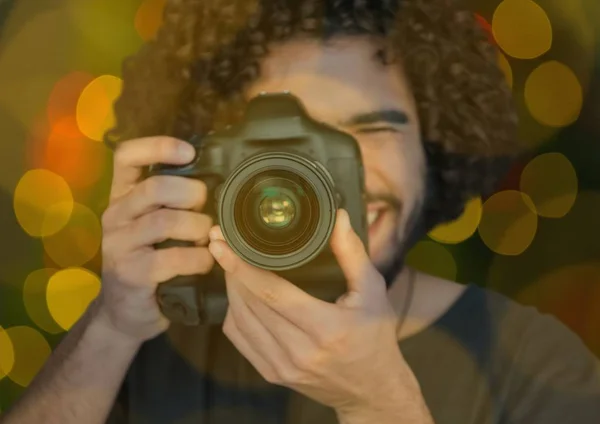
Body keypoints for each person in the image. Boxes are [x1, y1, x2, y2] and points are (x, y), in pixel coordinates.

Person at [2, 0, 600, 423]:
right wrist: (112, 325)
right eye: (291, 142)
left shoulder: (532, 362)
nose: (332, 173)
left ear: (435, 147)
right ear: (207, 158)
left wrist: (378, 405)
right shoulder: (150, 341)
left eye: (370, 130)